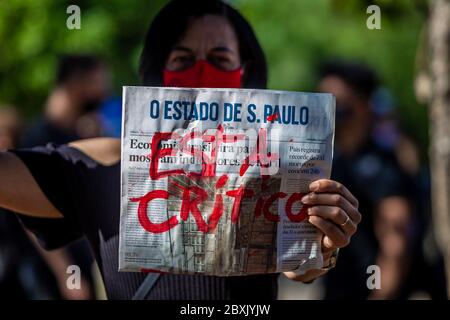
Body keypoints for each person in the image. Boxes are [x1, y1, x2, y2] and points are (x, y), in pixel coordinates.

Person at [0, 0, 361, 300]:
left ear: (245, 72)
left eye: (220, 60)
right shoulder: (107, 163)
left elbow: (302, 269)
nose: (201, 72)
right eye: (182, 59)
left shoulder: (274, 165)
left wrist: (324, 247)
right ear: (157, 72)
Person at [317, 61, 415, 299]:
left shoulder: (383, 166)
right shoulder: (331, 161)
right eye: (321, 104)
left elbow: (396, 244)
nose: (329, 114)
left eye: (339, 107)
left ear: (364, 106)